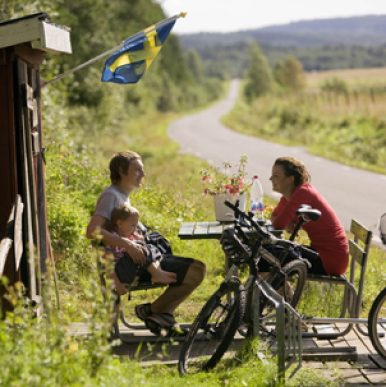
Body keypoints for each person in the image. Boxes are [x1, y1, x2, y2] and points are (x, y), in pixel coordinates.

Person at [87, 151, 206, 336]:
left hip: (140, 259)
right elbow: (92, 230)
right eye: (137, 170)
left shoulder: (122, 196)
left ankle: (156, 312)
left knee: (198, 268)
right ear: (121, 171)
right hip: (130, 264)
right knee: (196, 271)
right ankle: (157, 312)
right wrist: (127, 244)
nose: (143, 175)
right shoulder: (110, 196)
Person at [269, 156, 349, 276]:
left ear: (290, 179)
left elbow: (278, 224)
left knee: (270, 257)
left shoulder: (302, 193)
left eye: (276, 176)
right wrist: (286, 224)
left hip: (329, 259)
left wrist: (286, 224)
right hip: (321, 253)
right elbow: (275, 217)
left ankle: (278, 294)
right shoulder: (289, 196)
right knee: (272, 254)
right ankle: (279, 293)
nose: (270, 179)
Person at [105, 204, 177, 286]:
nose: (135, 229)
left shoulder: (129, 236)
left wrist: (140, 240)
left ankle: (158, 272)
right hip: (122, 273)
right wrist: (116, 284)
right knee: (139, 246)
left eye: (136, 225)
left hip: (133, 270)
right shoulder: (113, 239)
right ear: (120, 223)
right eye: (133, 225)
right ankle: (157, 274)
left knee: (150, 246)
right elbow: (107, 262)